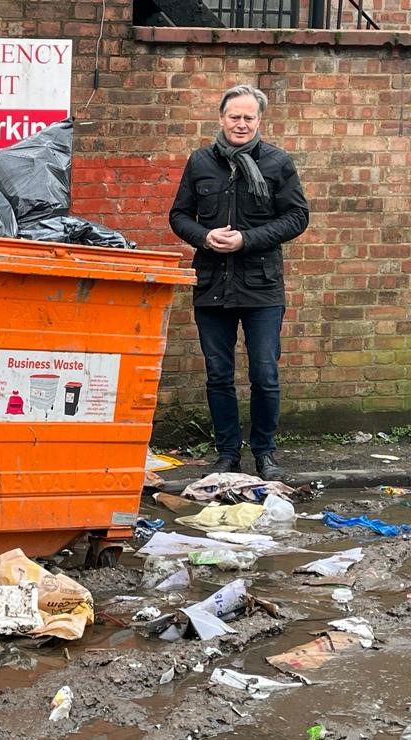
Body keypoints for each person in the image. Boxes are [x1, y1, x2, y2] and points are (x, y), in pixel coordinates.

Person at [169, 84, 309, 481]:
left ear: (259, 121)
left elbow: (297, 217)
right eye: (235, 116)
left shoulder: (277, 163)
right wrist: (203, 236)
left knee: (264, 373)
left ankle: (265, 453)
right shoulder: (200, 162)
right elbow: (179, 215)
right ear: (221, 118)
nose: (242, 124)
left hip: (262, 287)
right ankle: (227, 454)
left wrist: (247, 239)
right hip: (213, 285)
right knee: (218, 374)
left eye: (249, 117)